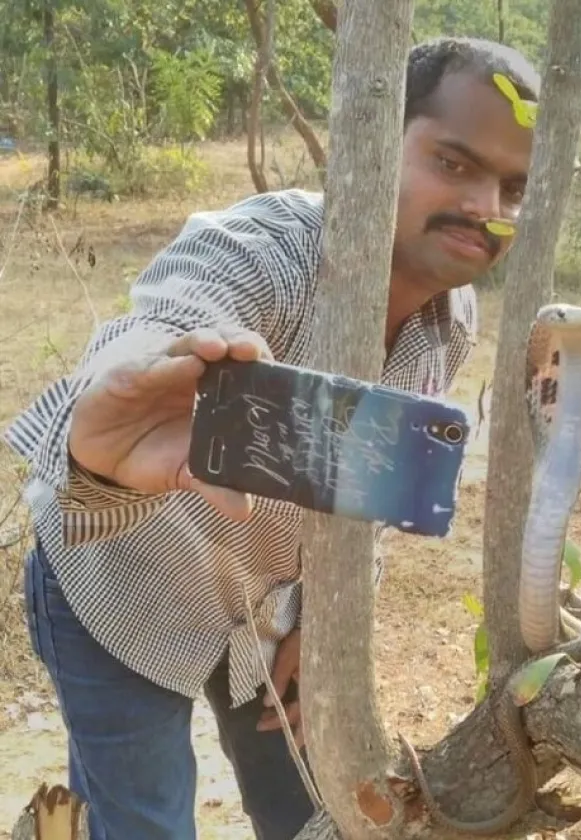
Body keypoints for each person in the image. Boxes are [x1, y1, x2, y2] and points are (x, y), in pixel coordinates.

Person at [4, 35, 539, 840]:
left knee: (312, 814)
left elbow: (368, 488)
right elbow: (170, 320)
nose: (485, 207)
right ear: (371, 143)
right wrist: (119, 410)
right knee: (141, 822)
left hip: (263, 612)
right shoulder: (270, 250)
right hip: (118, 590)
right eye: (454, 163)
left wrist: (322, 615)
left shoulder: (450, 321)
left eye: (514, 187)